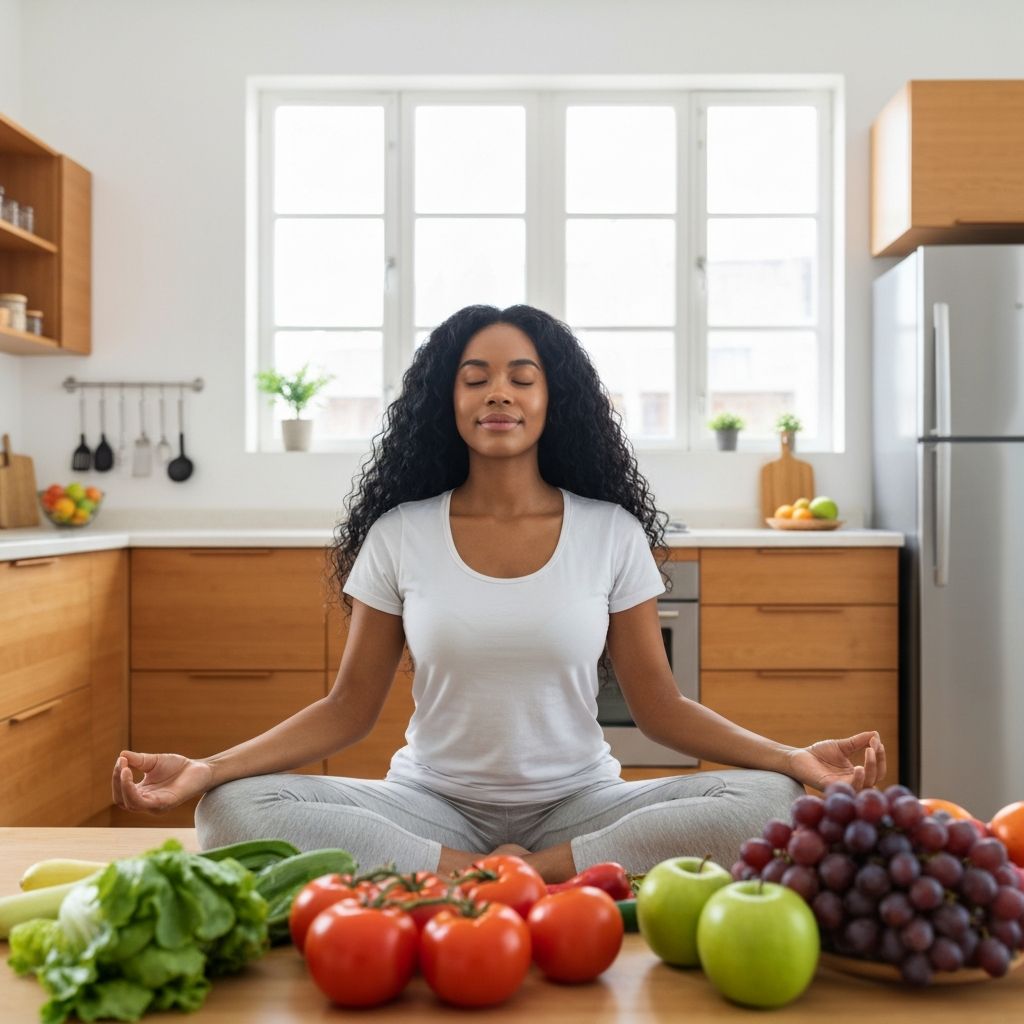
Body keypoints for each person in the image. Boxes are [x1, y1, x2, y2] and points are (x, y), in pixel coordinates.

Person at [112, 303, 886, 881]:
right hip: (428, 806)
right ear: (446, 403)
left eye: (522, 377)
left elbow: (662, 710)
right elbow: (348, 709)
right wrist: (211, 768)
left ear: (555, 399)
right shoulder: (401, 533)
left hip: (581, 805)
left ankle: (520, 874)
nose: (498, 394)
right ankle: (494, 869)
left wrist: (790, 757)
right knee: (230, 813)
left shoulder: (610, 531)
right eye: (474, 378)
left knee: (773, 802)